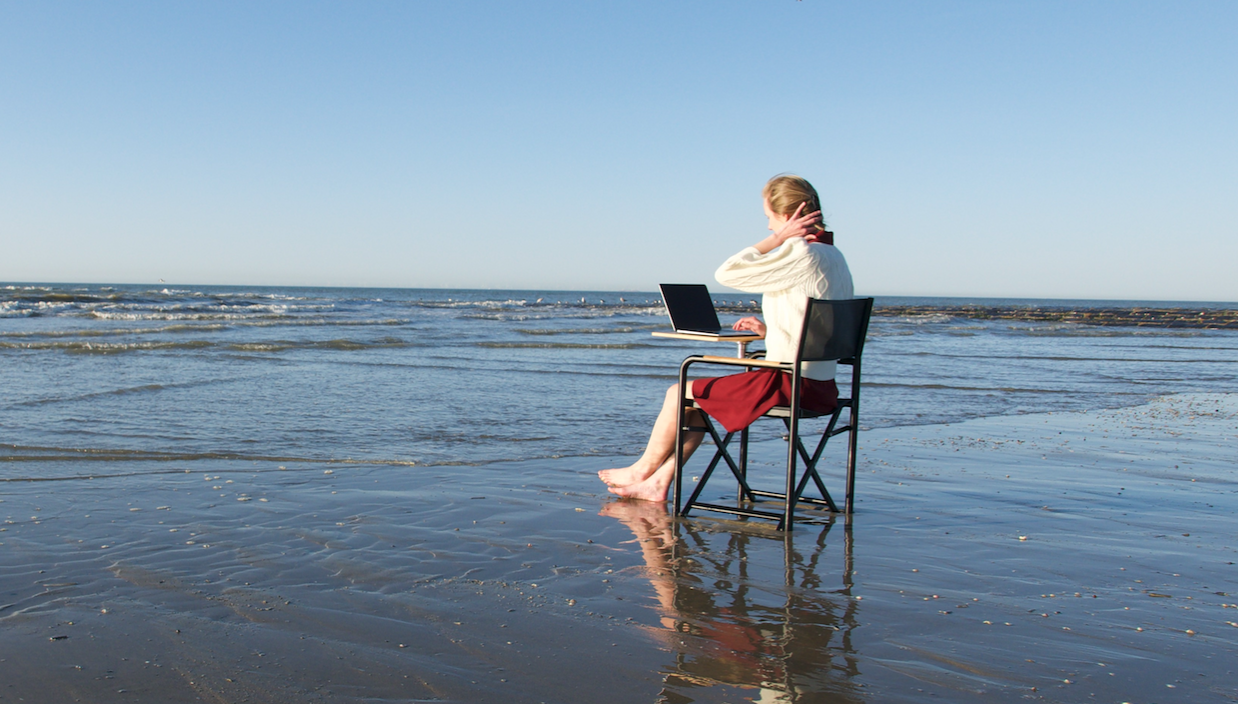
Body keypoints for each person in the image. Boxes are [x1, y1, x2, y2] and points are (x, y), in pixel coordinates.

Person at [599, 174, 854, 501]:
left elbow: (728, 272)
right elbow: (819, 322)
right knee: (696, 403)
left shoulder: (803, 254)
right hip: (820, 386)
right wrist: (770, 331)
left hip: (790, 385)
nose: (767, 227)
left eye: (769, 218)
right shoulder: (834, 256)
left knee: (679, 393)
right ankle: (659, 482)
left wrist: (778, 241)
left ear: (788, 217)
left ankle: (642, 469)